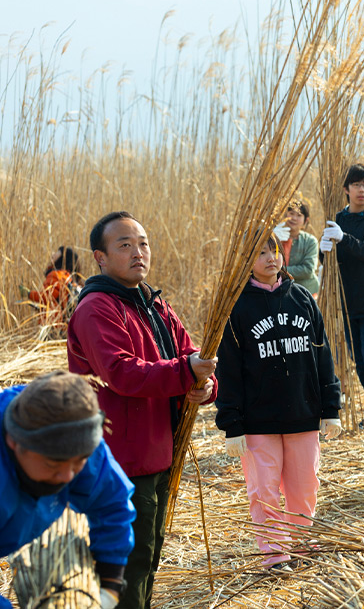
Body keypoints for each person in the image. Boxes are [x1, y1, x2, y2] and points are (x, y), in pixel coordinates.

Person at [67, 211, 218, 609]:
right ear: (100, 258)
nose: (138, 252)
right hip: (121, 461)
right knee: (126, 568)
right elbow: (121, 373)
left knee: (147, 560)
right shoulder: (97, 308)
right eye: (125, 245)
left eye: (144, 243)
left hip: (158, 454)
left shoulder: (154, 304)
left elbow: (191, 356)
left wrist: (205, 385)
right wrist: (186, 372)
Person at [215, 233, 341, 568]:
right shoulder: (237, 308)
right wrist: (232, 424)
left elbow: (323, 355)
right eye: (260, 252)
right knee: (264, 492)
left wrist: (331, 406)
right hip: (258, 421)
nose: (270, 257)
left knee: (304, 487)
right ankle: (274, 554)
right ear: (246, 262)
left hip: (303, 413)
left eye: (273, 250)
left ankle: (300, 545)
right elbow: (228, 370)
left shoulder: (301, 297)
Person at [1, 371, 136, 609]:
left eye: (78, 463)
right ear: (14, 441)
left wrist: (109, 586)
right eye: (52, 465)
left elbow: (112, 504)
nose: (68, 476)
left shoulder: (75, 435)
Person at [320, 163, 364, 433]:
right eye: (357, 185)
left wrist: (343, 238)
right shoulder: (337, 219)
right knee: (359, 359)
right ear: (346, 189)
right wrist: (323, 249)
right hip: (348, 301)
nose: (362, 190)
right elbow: (329, 259)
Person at [21, 246, 83, 332]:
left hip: (53, 325)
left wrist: (28, 294)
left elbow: (47, 297)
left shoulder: (56, 275)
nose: (53, 254)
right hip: (66, 326)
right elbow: (58, 300)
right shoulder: (70, 278)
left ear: (63, 258)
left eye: (58, 252)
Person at [274, 199, 320, 296]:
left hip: (305, 292)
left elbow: (307, 270)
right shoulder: (274, 237)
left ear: (306, 220)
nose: (294, 218)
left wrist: (279, 270)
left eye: (299, 215)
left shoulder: (310, 241)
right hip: (279, 290)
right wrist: (271, 236)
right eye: (291, 213)